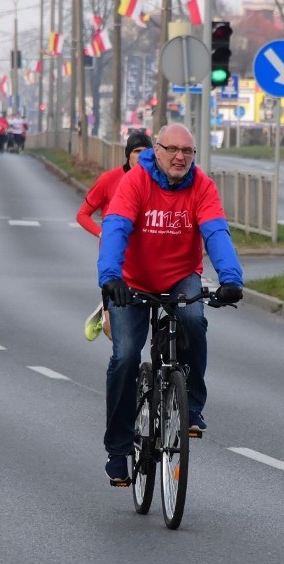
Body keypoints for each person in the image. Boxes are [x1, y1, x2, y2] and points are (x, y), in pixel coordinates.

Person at [97, 123, 243, 484]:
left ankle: (191, 406)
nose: (180, 157)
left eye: (188, 152)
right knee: (126, 356)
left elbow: (216, 232)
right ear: (156, 150)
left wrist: (231, 279)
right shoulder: (136, 182)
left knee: (194, 319)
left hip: (180, 276)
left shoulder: (202, 186)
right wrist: (110, 278)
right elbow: (115, 227)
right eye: (173, 149)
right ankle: (118, 449)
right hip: (131, 281)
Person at [77, 131, 153, 342]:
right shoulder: (109, 179)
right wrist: (103, 233)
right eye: (137, 151)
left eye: (147, 152)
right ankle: (107, 314)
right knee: (117, 336)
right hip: (115, 261)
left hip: (144, 260)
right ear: (128, 154)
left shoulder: (157, 182)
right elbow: (82, 215)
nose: (142, 156)